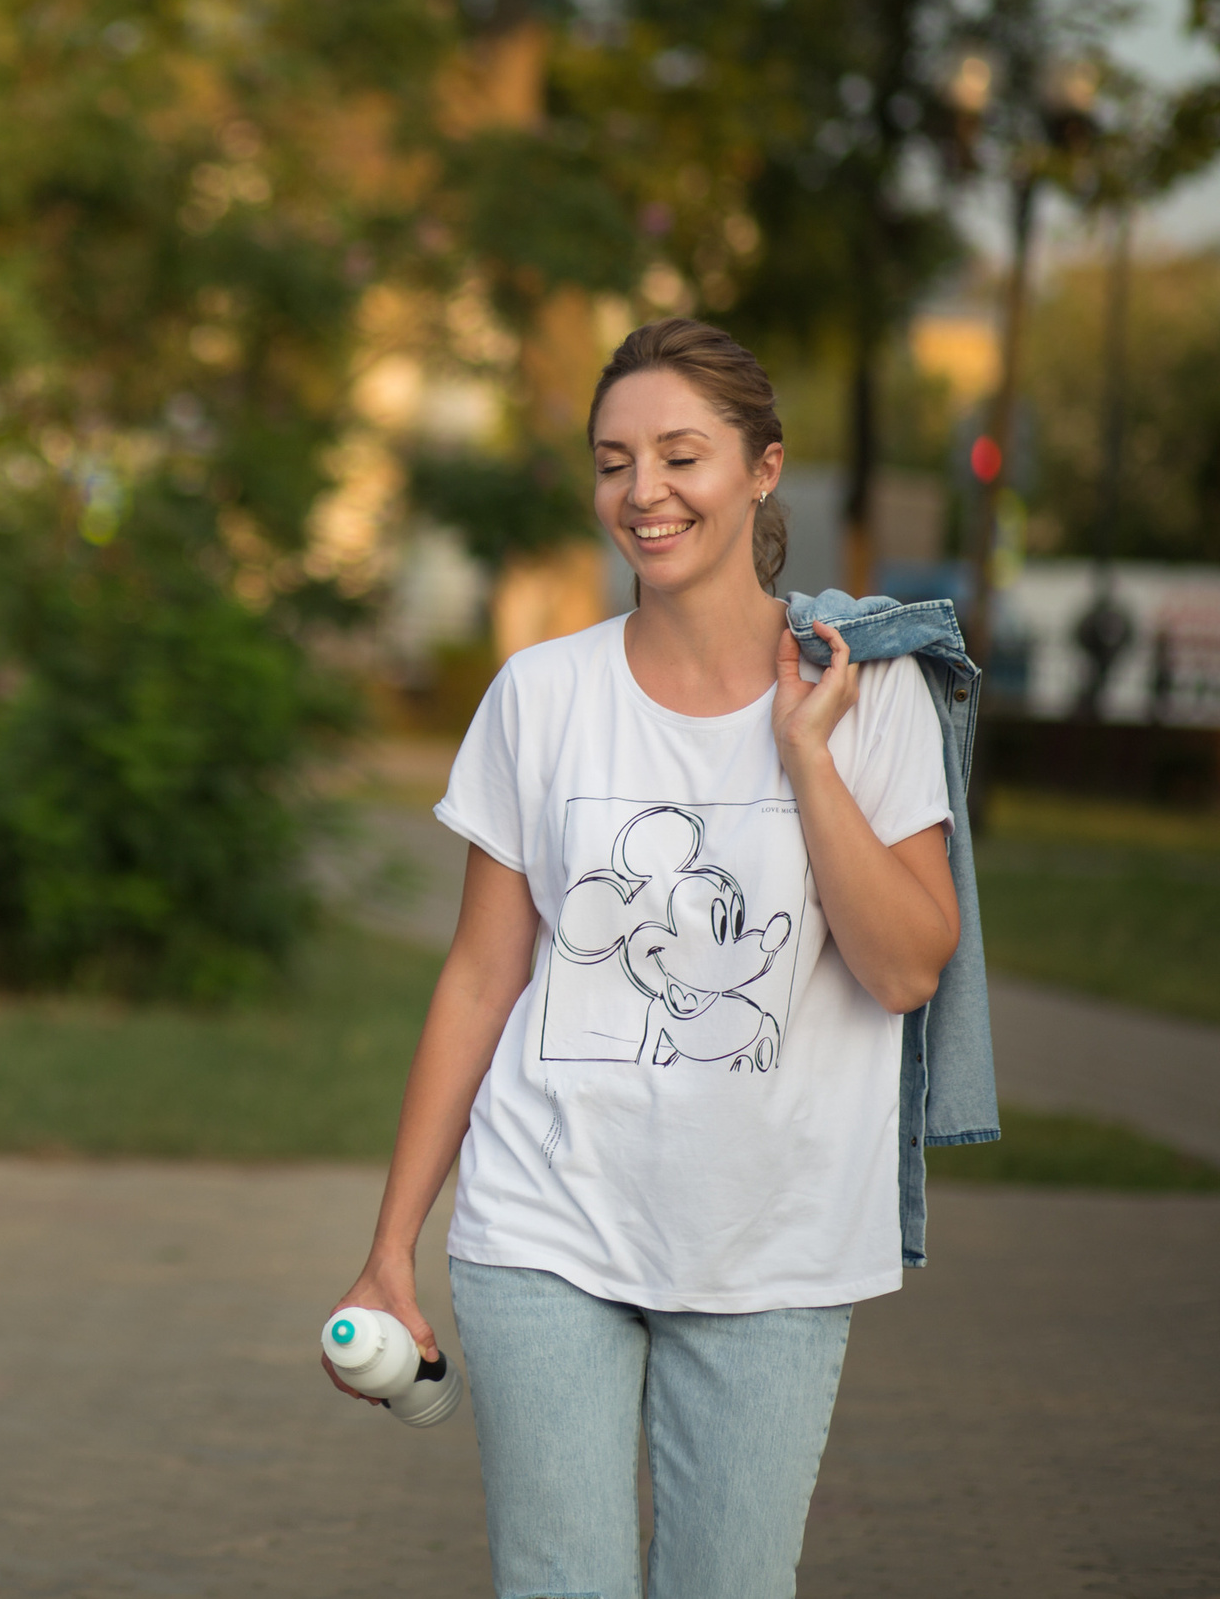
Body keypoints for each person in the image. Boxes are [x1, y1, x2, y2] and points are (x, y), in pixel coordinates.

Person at [323, 318, 965, 1599]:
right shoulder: (539, 696)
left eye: (682, 455)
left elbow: (903, 970)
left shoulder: (867, 691)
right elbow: (478, 977)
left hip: (775, 1240)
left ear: (763, 469)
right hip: (546, 1221)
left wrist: (804, 756)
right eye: (614, 462)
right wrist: (392, 1242)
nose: (644, 493)